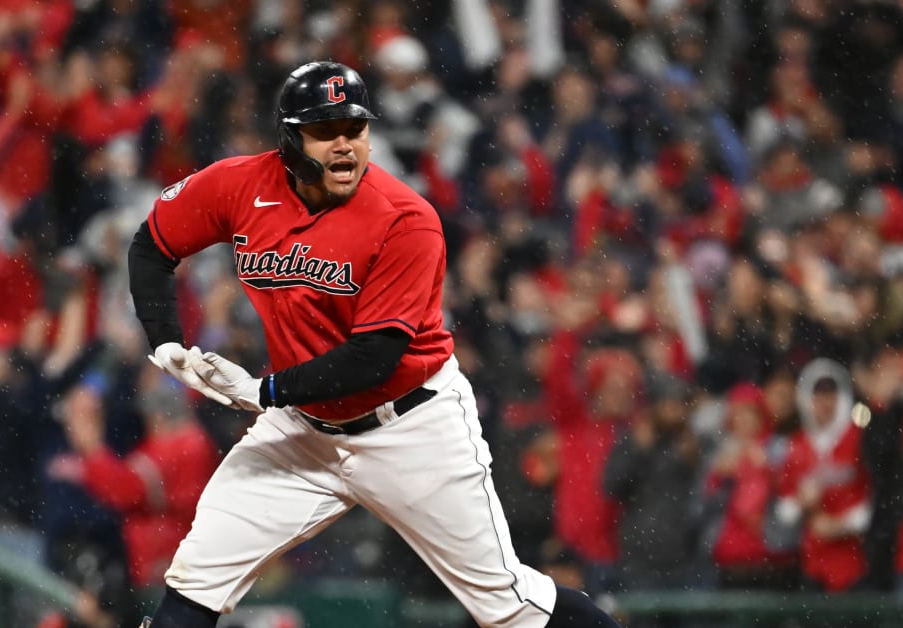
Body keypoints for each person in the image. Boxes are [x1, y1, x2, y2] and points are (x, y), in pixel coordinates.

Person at [126, 61, 621, 628]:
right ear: (288, 137)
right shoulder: (241, 186)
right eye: (325, 129)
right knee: (193, 585)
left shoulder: (405, 218)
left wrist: (263, 391)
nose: (344, 144)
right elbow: (151, 246)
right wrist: (165, 342)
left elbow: (373, 357)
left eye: (354, 128)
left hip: (409, 426)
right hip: (302, 429)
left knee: (507, 606)